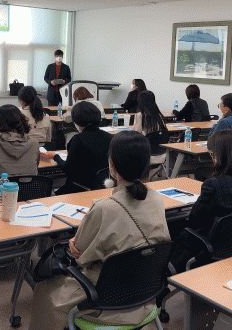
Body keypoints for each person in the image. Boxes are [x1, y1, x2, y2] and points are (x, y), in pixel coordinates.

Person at [30, 131, 171, 330]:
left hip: (106, 301)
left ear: (111, 165)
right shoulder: (156, 198)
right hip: (145, 296)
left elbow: (79, 254)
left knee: (46, 289)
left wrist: (73, 243)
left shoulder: (104, 208)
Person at [170, 129, 232, 272]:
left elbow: (194, 220)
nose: (212, 158)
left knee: (174, 226)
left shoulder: (214, 184)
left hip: (213, 248)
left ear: (221, 156)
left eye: (212, 154)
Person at [42, 101, 113, 195]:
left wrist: (55, 157)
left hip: (79, 187)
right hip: (102, 187)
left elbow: (68, 169)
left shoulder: (78, 139)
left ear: (76, 120)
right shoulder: (109, 137)